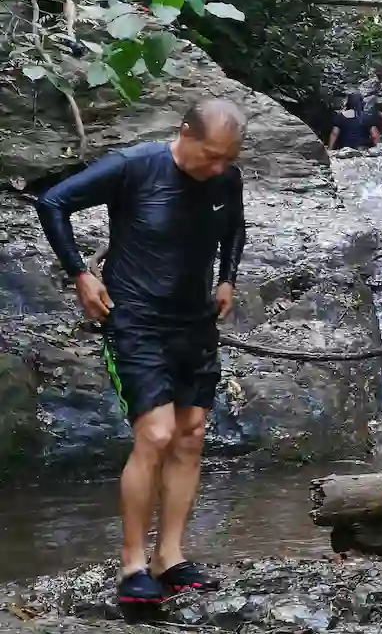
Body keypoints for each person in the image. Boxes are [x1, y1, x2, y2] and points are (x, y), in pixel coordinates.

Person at [34, 100, 247, 605]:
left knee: (191, 436)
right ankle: (132, 568)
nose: (217, 168)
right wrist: (81, 273)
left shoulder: (225, 178)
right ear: (185, 134)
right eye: (211, 156)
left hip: (194, 321)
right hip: (135, 320)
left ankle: (169, 558)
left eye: (227, 159)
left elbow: (235, 226)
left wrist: (227, 278)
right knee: (156, 432)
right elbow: (52, 202)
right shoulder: (134, 167)